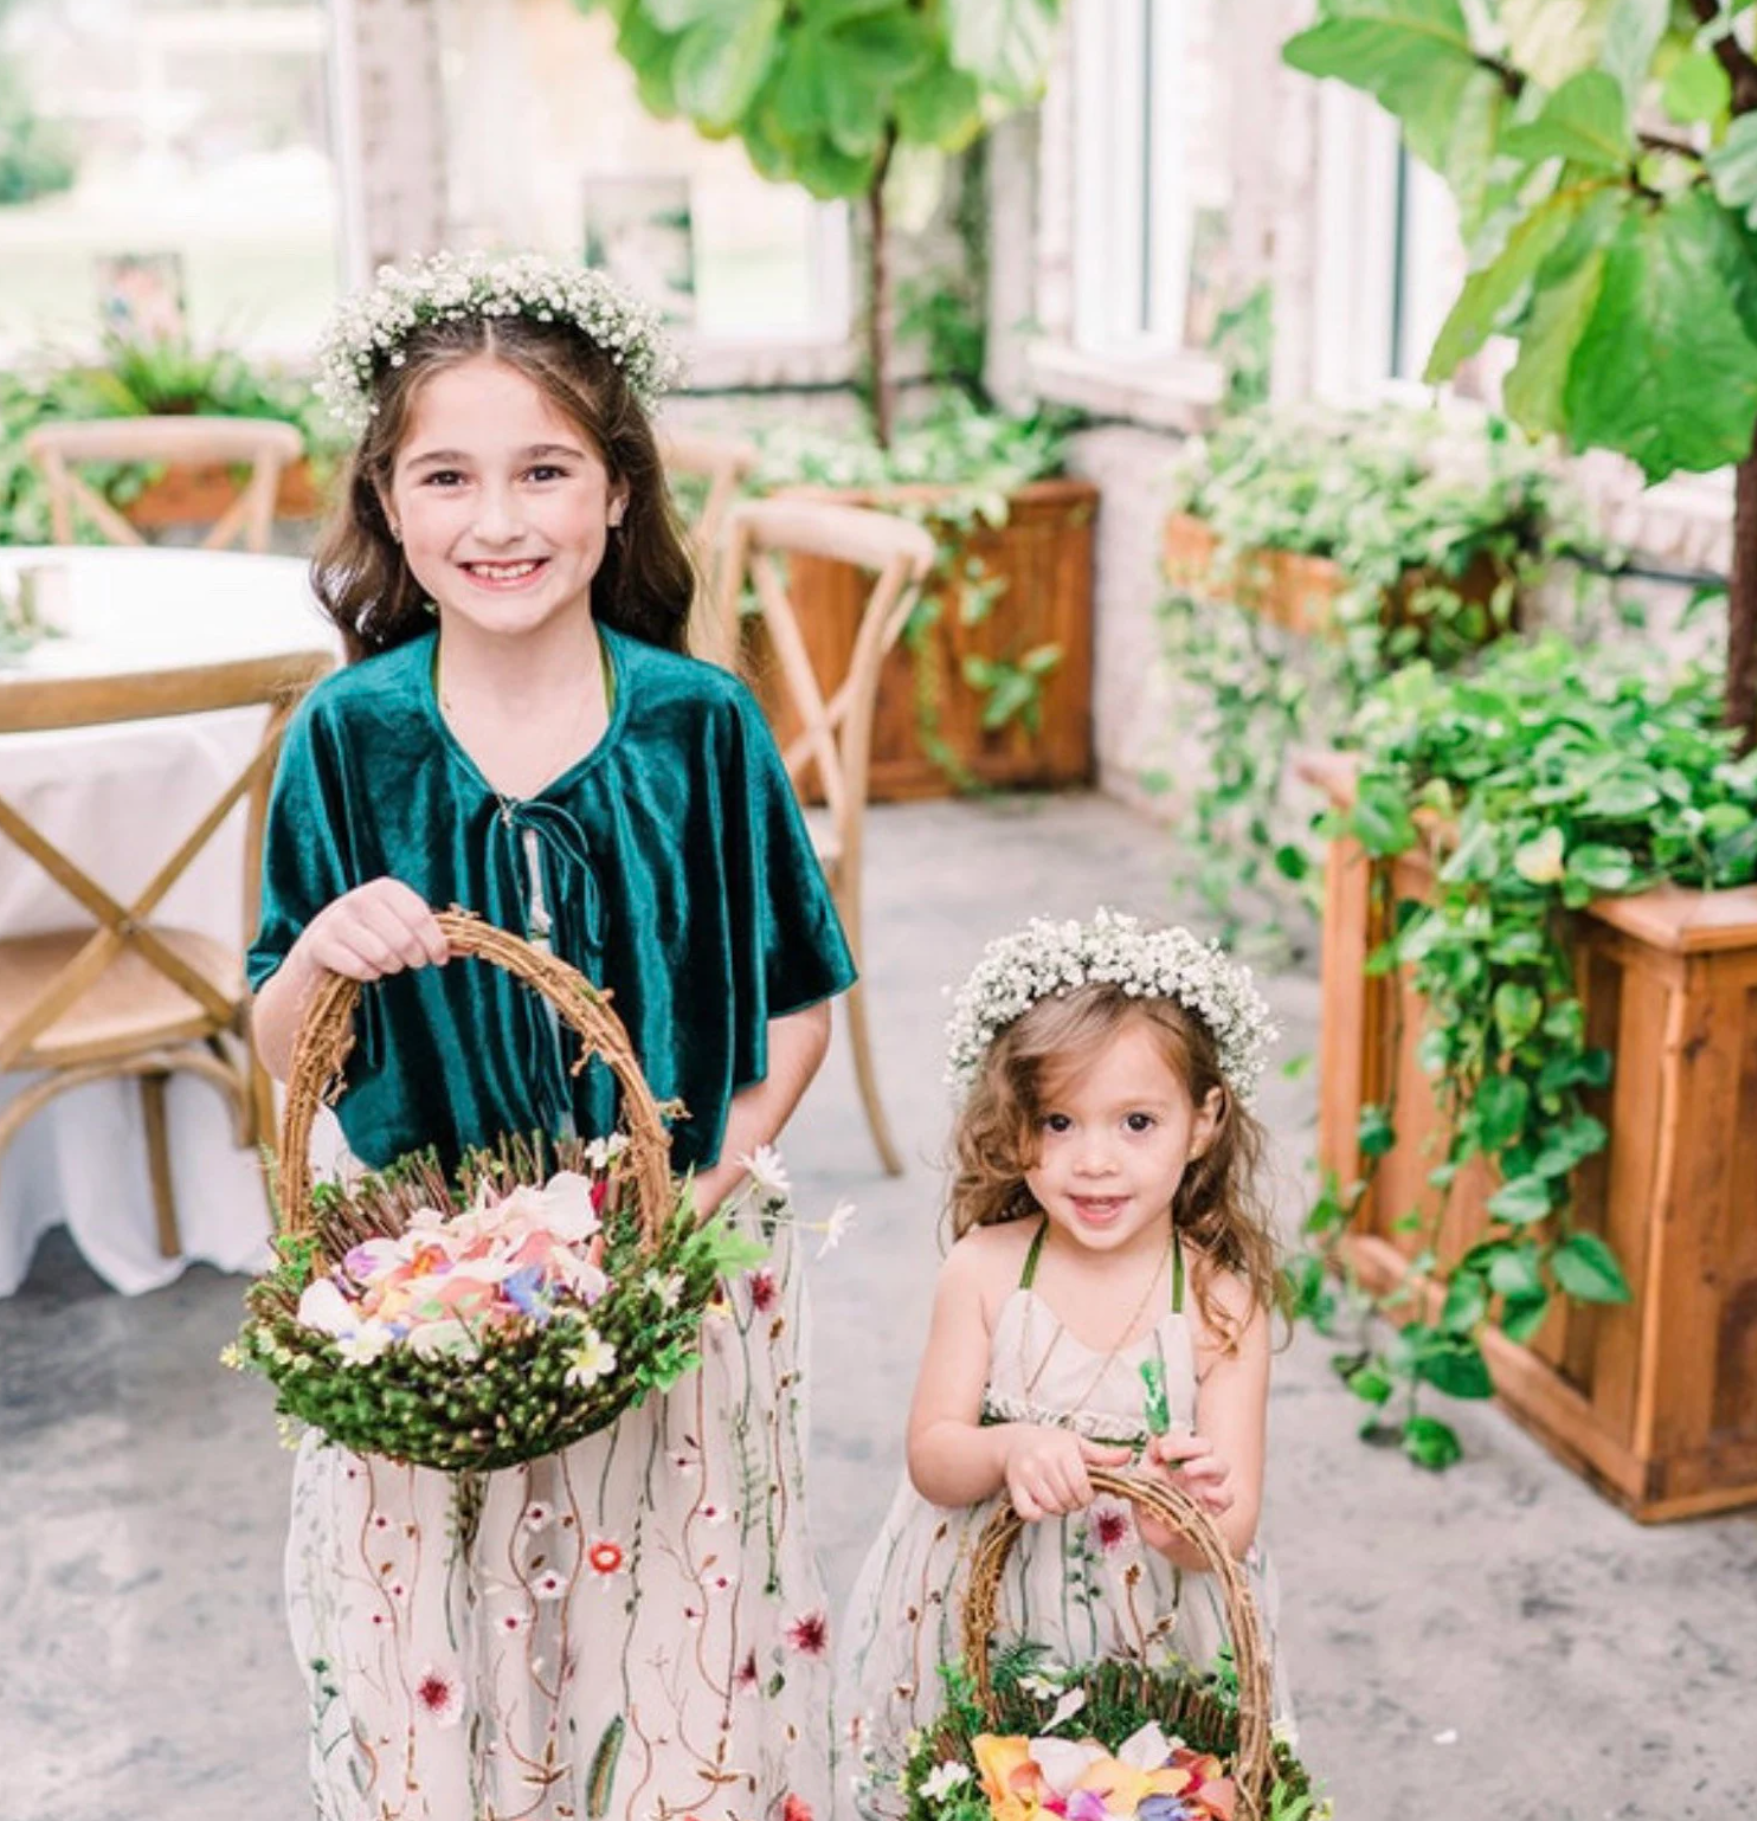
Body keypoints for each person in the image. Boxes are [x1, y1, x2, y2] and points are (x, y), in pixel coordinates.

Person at [247, 251, 854, 1821]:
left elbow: (798, 1004)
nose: (498, 519)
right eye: (448, 475)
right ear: (387, 501)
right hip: (427, 1286)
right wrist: (323, 949)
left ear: (615, 493)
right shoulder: (347, 736)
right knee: (445, 1647)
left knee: (672, 1634)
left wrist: (693, 1198)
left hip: (679, 1260)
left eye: (545, 471)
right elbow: (275, 1045)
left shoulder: (699, 722)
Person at [838, 910, 1294, 1818]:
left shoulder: (1218, 1305)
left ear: (1203, 1122)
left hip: (1152, 1628)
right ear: (1013, 1127)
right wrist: (1009, 1449)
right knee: (986, 1787)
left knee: (1145, 1790)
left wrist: (1182, 1516)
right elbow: (932, 1455)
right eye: (1058, 1119)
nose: (1093, 1161)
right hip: (985, 1612)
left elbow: (1230, 1524)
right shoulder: (985, 1268)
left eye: (1135, 1121)